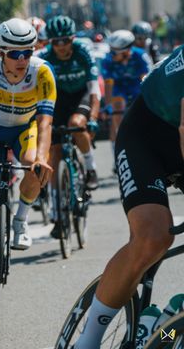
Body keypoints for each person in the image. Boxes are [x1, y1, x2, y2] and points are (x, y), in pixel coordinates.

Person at [71, 45, 184, 348]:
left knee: (171, 332)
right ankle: (90, 338)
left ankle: (168, 328)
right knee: (153, 236)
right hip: (147, 140)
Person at [0, 18, 56, 249]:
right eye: (14, 54)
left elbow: (45, 121)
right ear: (1, 52)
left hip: (24, 128)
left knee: (35, 165)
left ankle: (20, 220)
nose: (21, 60)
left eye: (27, 53)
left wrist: (41, 157)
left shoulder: (41, 72)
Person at [38, 15, 101, 220]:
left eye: (66, 40)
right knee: (55, 153)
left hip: (80, 95)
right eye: (56, 42)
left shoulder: (83, 52)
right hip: (59, 99)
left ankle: (91, 168)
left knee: (77, 124)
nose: (61, 46)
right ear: (51, 42)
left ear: (73, 39)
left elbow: (94, 91)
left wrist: (92, 117)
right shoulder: (45, 57)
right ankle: (57, 208)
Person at [102, 29, 152, 160]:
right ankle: (118, 148)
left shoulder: (141, 56)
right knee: (116, 111)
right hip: (119, 87)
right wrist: (108, 106)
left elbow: (146, 80)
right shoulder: (107, 60)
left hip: (137, 85)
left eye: (114, 51)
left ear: (126, 51)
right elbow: (108, 84)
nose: (111, 53)